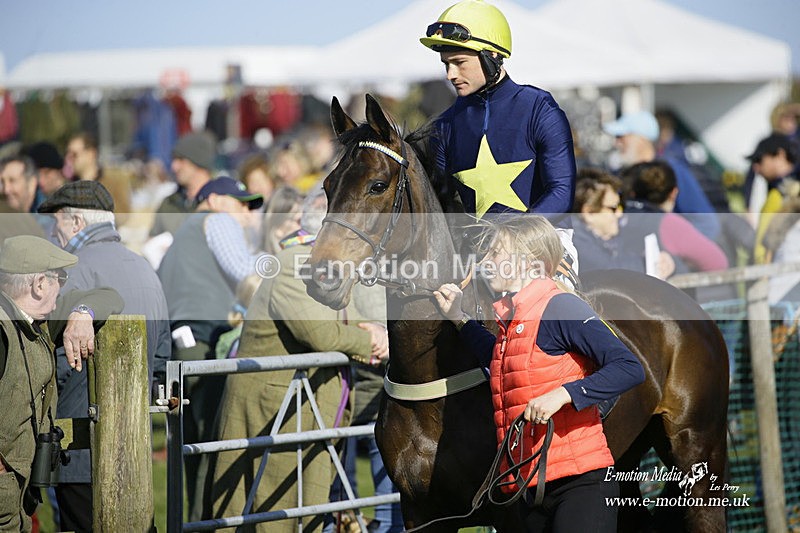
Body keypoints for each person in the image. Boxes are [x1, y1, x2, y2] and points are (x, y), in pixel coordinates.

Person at [433, 215, 645, 532]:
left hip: (580, 486)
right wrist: (459, 318)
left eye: (495, 253)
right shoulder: (511, 317)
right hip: (526, 486)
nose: (485, 262)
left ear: (530, 263)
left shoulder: (560, 306)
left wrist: (564, 394)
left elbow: (629, 367)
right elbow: (499, 358)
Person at [210, 188, 389, 532]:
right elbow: (320, 333)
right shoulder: (295, 263)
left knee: (302, 509)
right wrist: (372, 341)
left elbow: (338, 322)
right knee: (269, 511)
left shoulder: (322, 267)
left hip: (301, 412)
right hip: (273, 413)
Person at [36, 180, 172, 531]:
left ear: (77, 223)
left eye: (57, 222)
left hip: (80, 449)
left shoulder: (70, 270)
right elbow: (160, 358)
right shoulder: (145, 269)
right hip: (133, 442)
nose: (53, 232)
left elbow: (54, 365)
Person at [420, 0, 579, 287]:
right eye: (446, 64)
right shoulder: (443, 126)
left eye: (459, 63)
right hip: (475, 252)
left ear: (492, 56)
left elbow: (562, 192)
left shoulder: (539, 108)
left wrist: (513, 239)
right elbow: (443, 205)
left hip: (541, 241)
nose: (450, 75)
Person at [157, 176, 263, 521]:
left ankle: (194, 522)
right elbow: (247, 274)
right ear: (215, 200)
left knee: (194, 449)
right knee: (211, 445)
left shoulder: (185, 232)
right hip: (204, 346)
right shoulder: (216, 220)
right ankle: (205, 524)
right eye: (242, 203)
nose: (248, 212)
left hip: (184, 343)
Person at [0, 235, 123, 532]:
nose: (64, 286)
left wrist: (83, 314)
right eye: (61, 277)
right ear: (39, 284)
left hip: (16, 494)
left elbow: (110, 296)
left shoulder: (37, 317)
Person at [603, 110, 721, 241]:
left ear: (641, 139)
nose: (616, 142)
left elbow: (707, 224)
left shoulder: (672, 171)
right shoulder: (620, 174)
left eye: (621, 136)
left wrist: (675, 252)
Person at [622, 161, 728, 275]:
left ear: (632, 192)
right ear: (674, 193)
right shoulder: (668, 223)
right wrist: (680, 265)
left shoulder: (616, 216)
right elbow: (717, 262)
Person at [570, 168, 670, 276]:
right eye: (613, 208)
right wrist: (649, 263)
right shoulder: (575, 242)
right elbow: (610, 268)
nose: (619, 214)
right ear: (589, 213)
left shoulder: (614, 237)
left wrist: (667, 263)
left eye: (620, 206)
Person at [147, 131, 217, 241]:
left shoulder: (220, 203)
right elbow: (151, 240)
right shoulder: (168, 204)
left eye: (181, 160)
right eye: (174, 160)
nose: (174, 167)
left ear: (198, 161)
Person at [746, 133, 800, 264]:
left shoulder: (791, 193)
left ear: (780, 155)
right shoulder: (775, 192)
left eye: (760, 160)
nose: (756, 168)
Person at [65, 132, 132, 225]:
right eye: (68, 154)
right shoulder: (68, 188)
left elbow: (124, 216)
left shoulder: (115, 180)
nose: (69, 158)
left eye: (74, 154)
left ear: (91, 154)